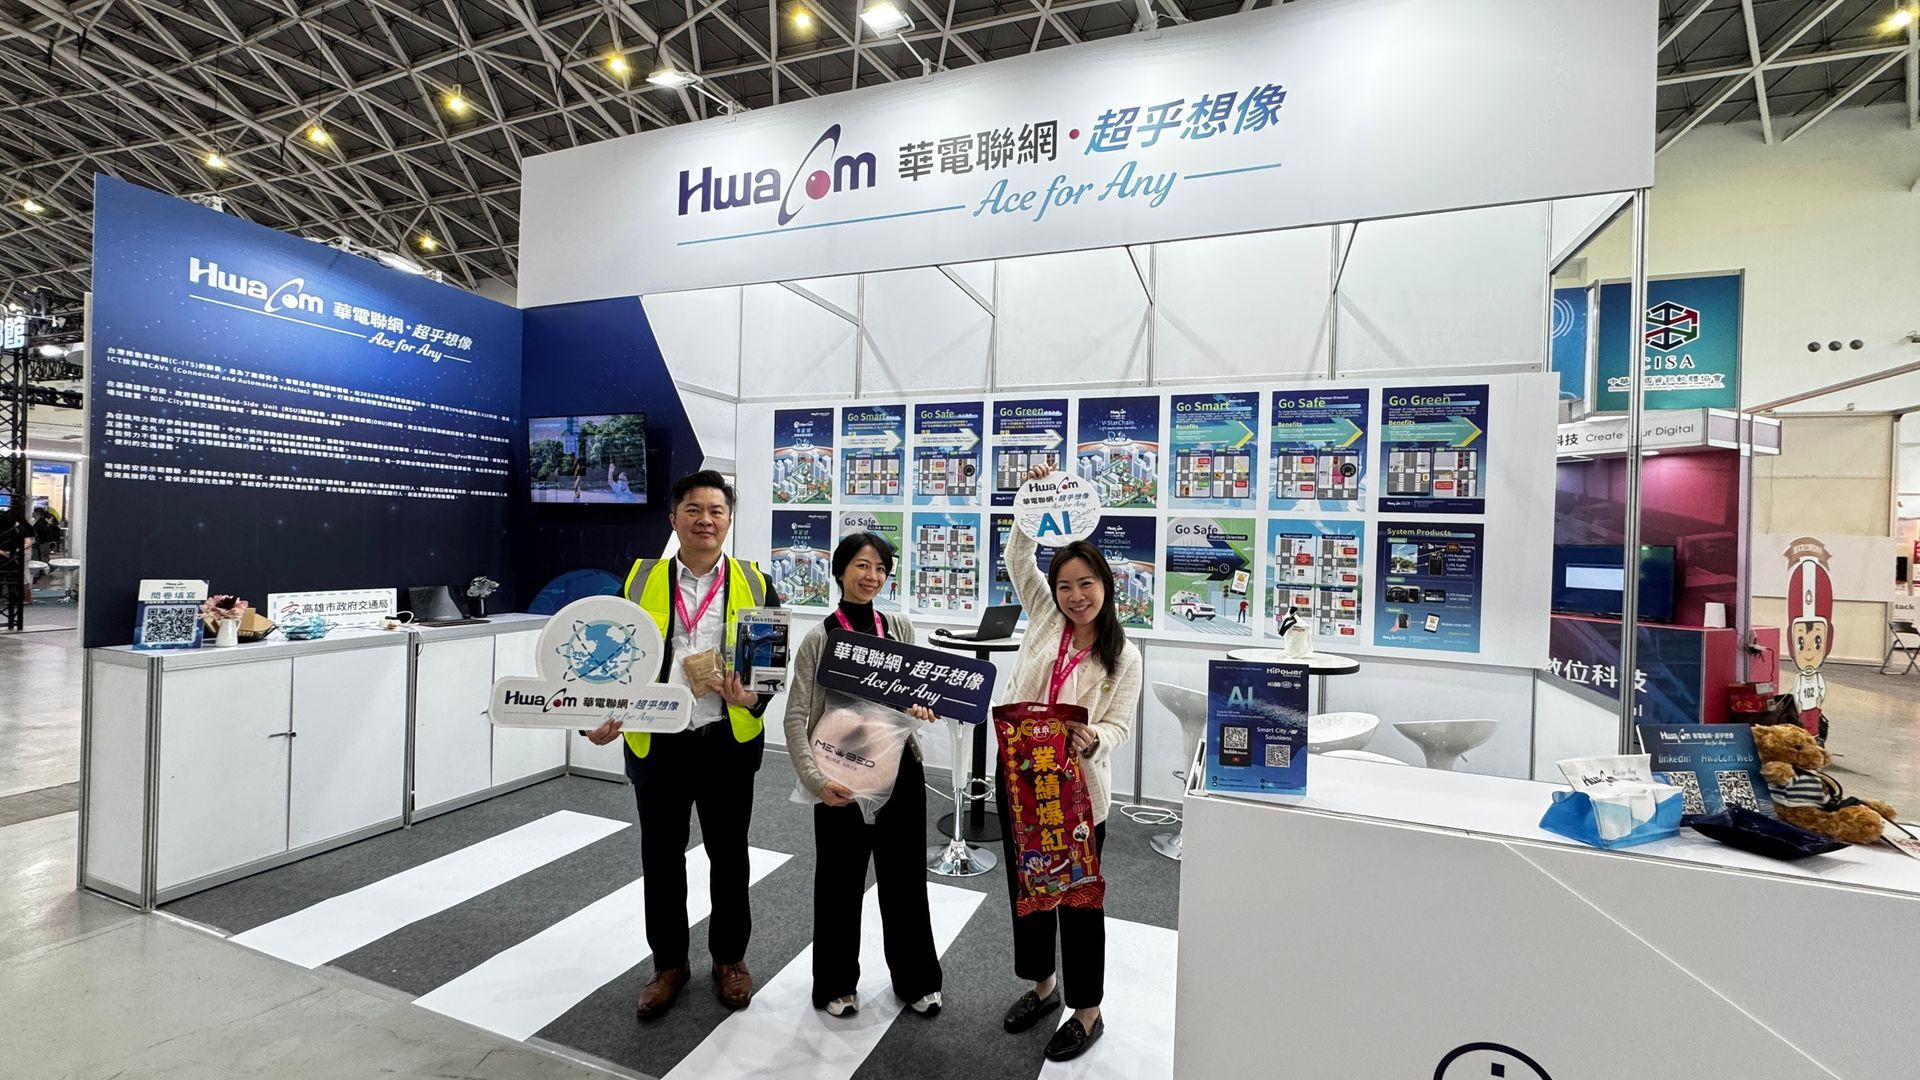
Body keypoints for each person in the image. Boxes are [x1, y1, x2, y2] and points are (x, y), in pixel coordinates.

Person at [584, 470, 781, 1020]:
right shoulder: (639, 581)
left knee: (730, 857)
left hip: (725, 741)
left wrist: (752, 698)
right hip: (659, 742)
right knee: (661, 857)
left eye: (716, 510)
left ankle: (730, 959)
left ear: (729, 520)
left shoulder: (756, 582)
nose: (705, 520)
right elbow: (603, 662)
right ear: (673, 519)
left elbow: (770, 668)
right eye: (693, 510)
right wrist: (594, 719)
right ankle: (669, 964)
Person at [996, 466, 1142, 1063]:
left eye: (1086, 584)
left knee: (1080, 902)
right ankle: (1043, 986)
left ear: (1105, 584)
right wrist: (1031, 504)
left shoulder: (1123, 655)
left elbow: (1119, 726)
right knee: (1030, 891)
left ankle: (1087, 1010)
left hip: (1079, 793)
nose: (1076, 596)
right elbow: (1017, 558)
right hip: (1021, 782)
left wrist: (1093, 739)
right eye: (1065, 586)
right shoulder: (1045, 617)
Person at [783, 532, 944, 1019]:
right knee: (839, 881)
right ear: (840, 571)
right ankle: (835, 984)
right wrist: (814, 780)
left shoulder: (897, 628)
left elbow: (912, 700)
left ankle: (917, 981)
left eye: (880, 568)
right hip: (840, 773)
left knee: (905, 879)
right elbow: (796, 716)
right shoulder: (820, 638)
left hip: (899, 772)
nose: (872, 576)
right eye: (861, 565)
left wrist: (921, 709)